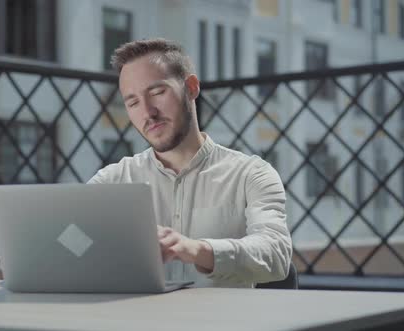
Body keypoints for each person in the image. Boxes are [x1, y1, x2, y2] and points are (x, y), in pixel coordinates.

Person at [87, 38, 292, 288]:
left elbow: (276, 253)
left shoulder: (251, 174)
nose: (147, 112)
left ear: (192, 87)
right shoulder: (111, 181)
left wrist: (196, 249)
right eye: (133, 102)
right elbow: (68, 240)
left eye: (157, 92)